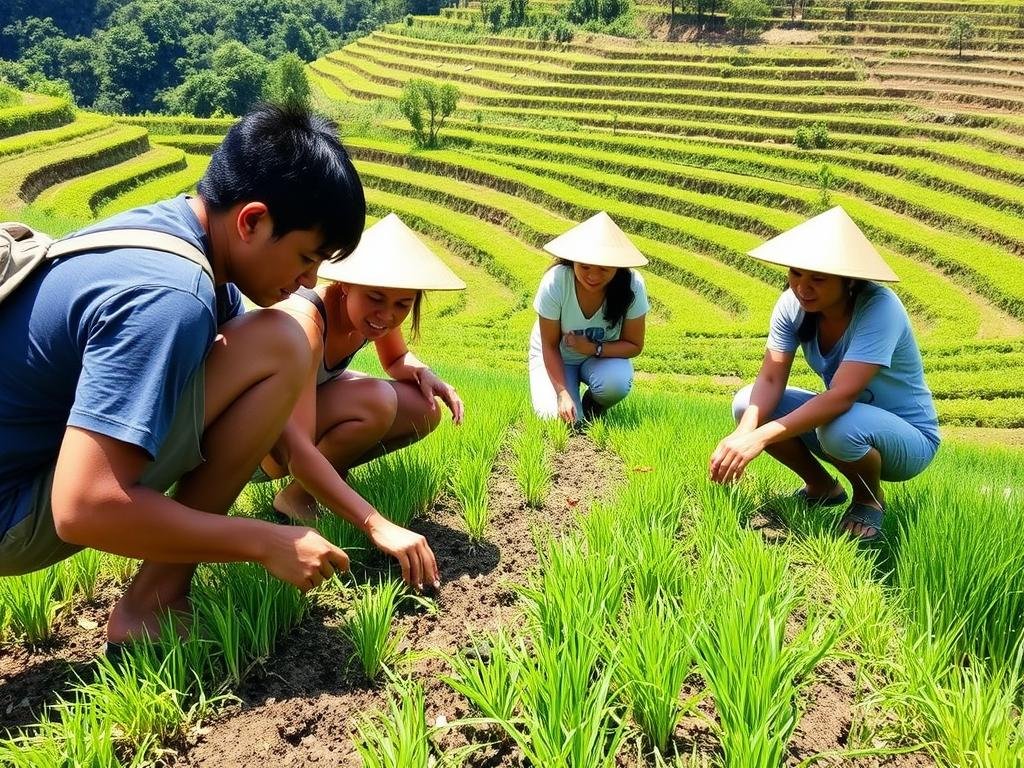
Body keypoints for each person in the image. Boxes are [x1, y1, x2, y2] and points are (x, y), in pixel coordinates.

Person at [0, 104, 366, 645]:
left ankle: (159, 596)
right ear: (252, 220)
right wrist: (264, 541)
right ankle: (153, 603)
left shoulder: (169, 229)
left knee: (272, 346)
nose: (310, 279)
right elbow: (84, 509)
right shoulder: (173, 294)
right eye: (306, 257)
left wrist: (362, 515)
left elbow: (268, 406)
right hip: (11, 515)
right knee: (282, 343)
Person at [259, 213, 465, 591]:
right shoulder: (306, 323)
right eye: (375, 298)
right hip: (263, 445)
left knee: (424, 407)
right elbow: (297, 449)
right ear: (344, 283)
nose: (387, 315)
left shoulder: (379, 312)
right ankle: (296, 497)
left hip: (300, 421)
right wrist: (376, 523)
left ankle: (325, 483)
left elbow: (395, 359)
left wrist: (424, 373)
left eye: (403, 304)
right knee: (378, 399)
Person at [710, 206, 940, 542]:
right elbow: (771, 378)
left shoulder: (880, 308)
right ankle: (821, 487)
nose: (803, 288)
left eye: (818, 279)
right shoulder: (793, 305)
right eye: (796, 274)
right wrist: (745, 431)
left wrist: (759, 438)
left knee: (838, 427)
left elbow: (841, 396)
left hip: (909, 438)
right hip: (846, 421)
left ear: (849, 280)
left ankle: (869, 499)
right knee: (747, 405)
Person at [529, 211, 650, 424]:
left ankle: (593, 407)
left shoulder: (632, 285)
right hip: (557, 357)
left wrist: (594, 348)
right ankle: (571, 401)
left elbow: (634, 345)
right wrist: (562, 394)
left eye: (604, 269)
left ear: (617, 267)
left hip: (599, 357)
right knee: (554, 420)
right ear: (573, 260)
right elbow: (549, 346)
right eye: (584, 267)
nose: (593, 276)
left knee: (616, 383)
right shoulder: (556, 282)